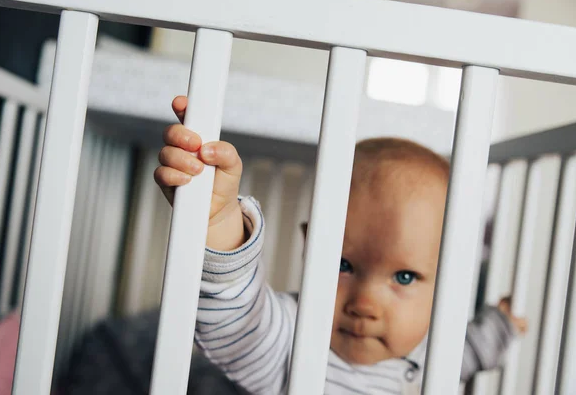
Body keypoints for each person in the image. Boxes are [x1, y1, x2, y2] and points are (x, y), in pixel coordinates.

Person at [154, 96, 528, 394]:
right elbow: (234, 322)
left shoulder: (432, 351)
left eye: (404, 276)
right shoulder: (291, 339)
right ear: (308, 247)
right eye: (343, 265)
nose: (364, 304)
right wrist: (218, 223)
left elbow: (473, 349)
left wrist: (502, 324)